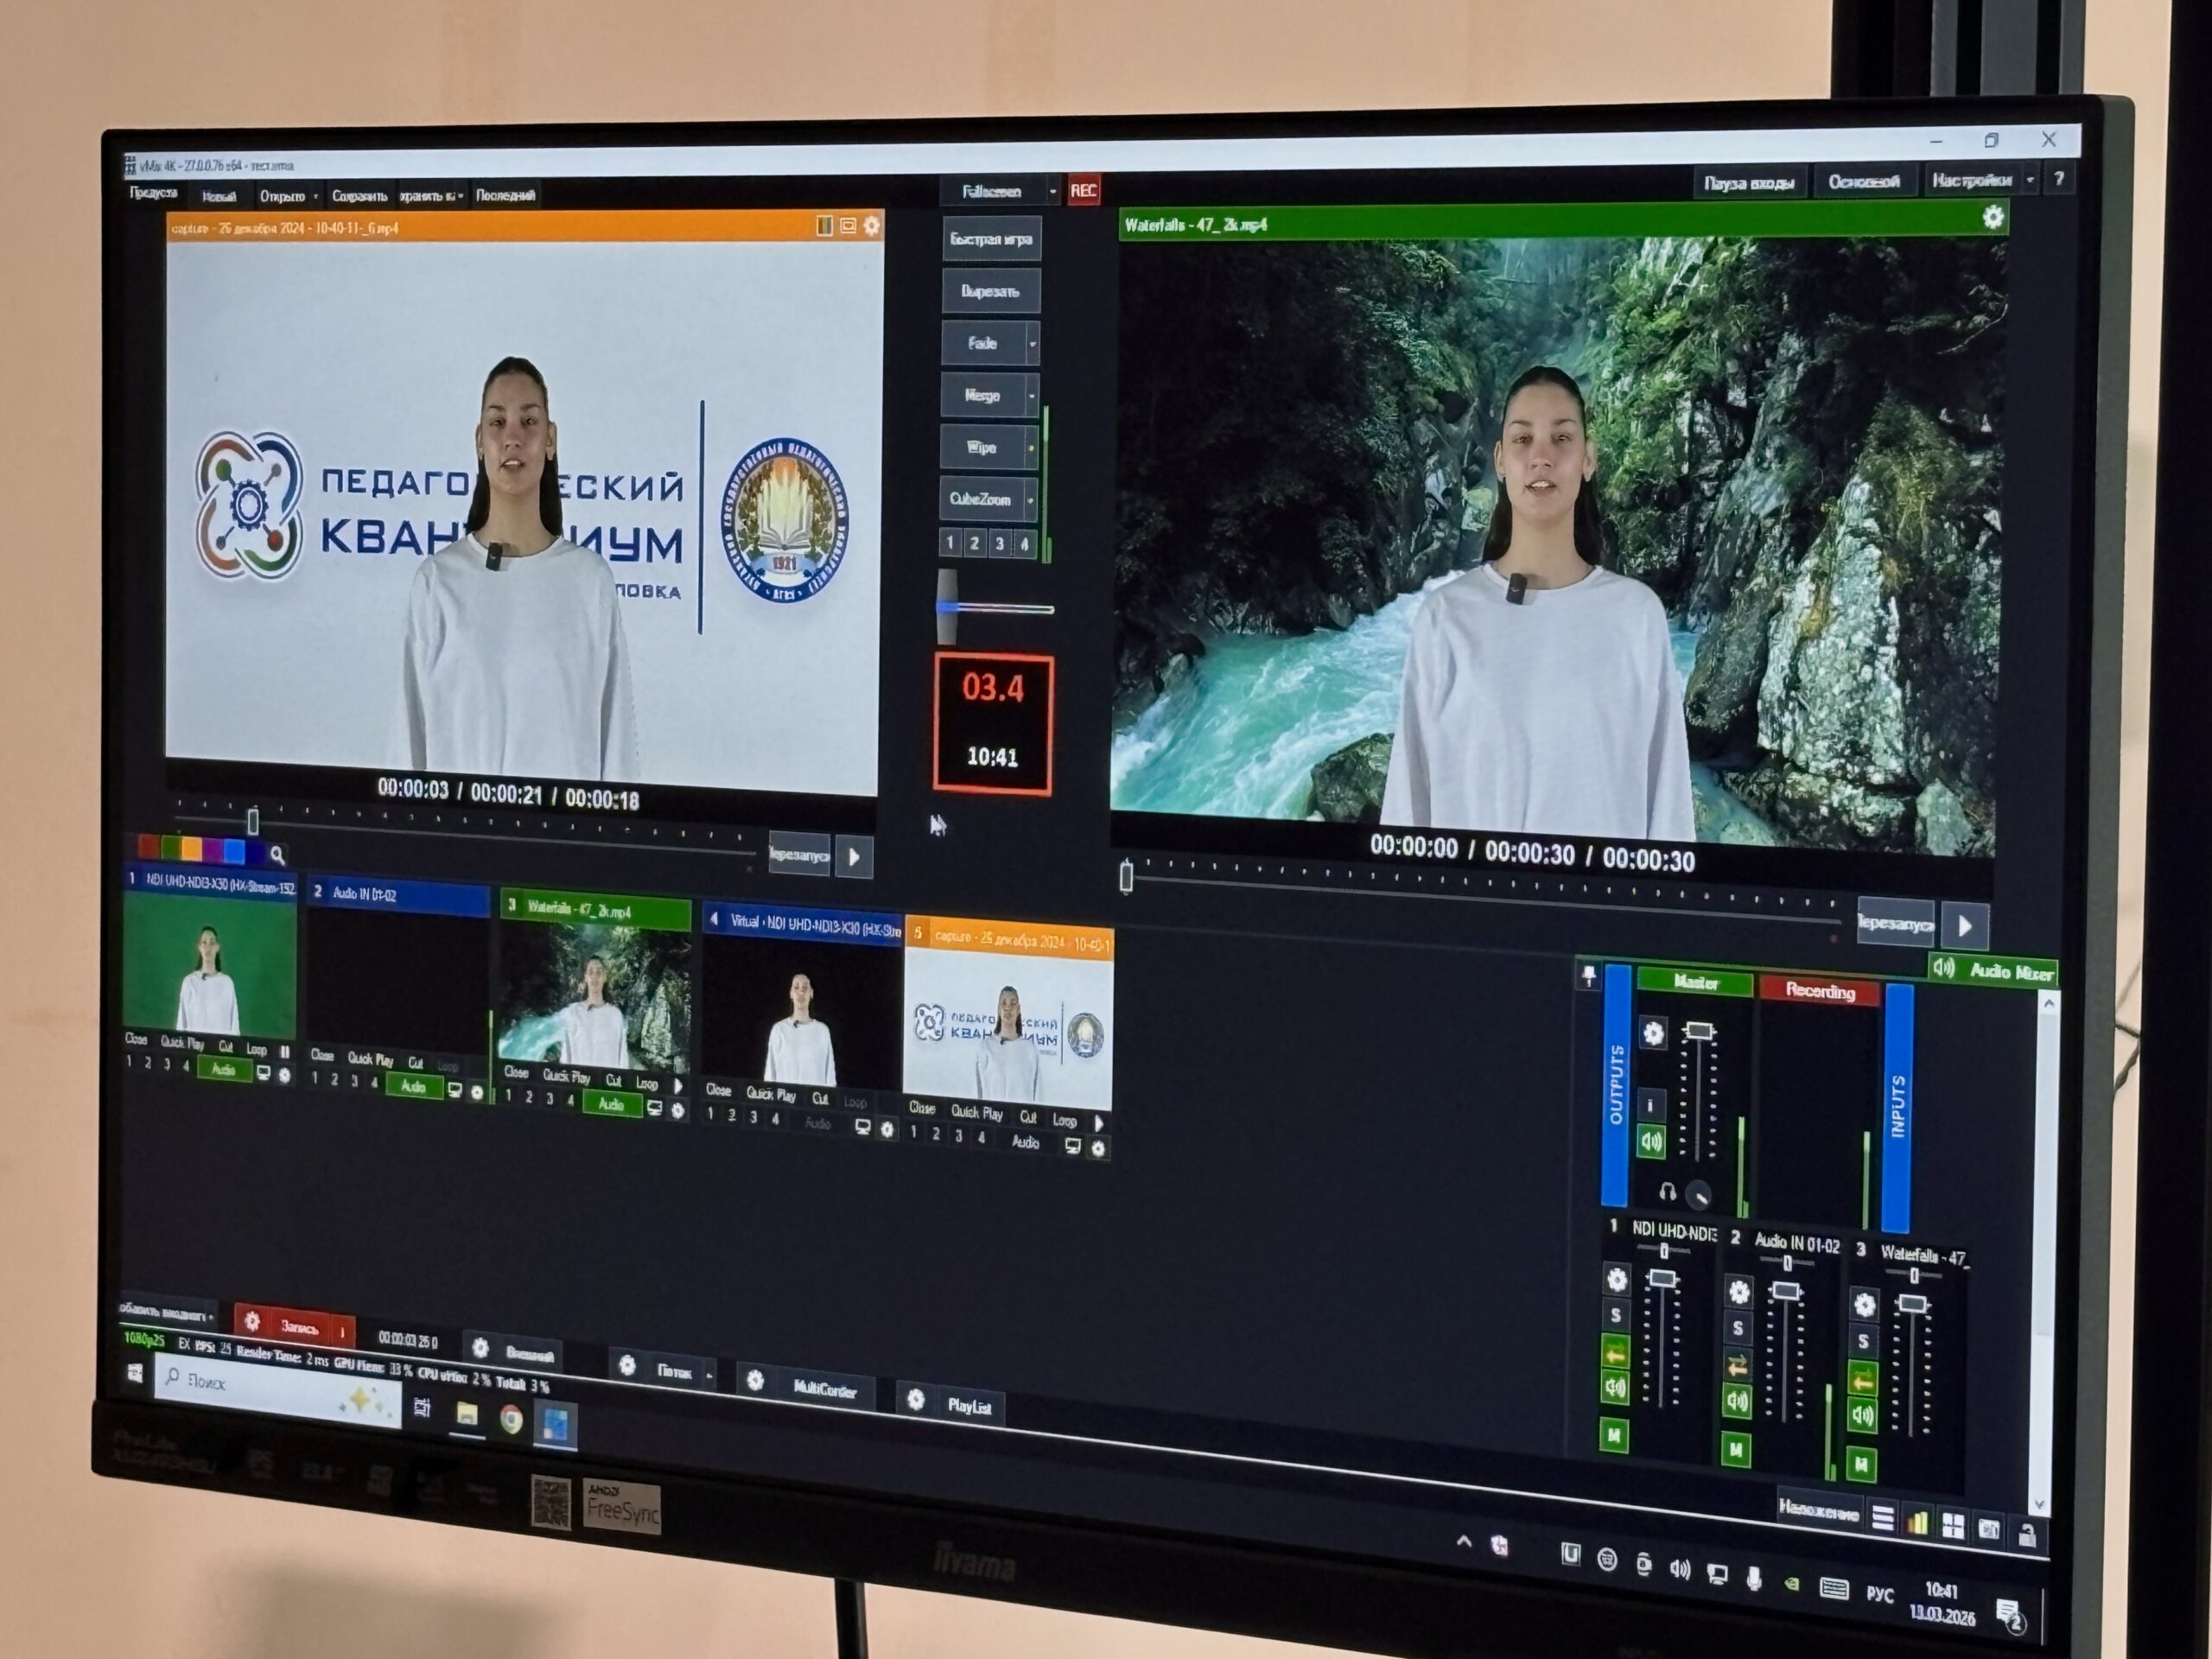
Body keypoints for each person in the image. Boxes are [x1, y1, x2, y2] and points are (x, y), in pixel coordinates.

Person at [1381, 365, 1694, 842]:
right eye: (1523, 439)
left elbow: (1669, 814)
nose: (1541, 457)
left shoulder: (1637, 617)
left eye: (1562, 438)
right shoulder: (1445, 618)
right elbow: (1406, 815)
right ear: (1501, 460)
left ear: (1588, 459)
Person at [399, 357, 639, 782]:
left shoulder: (589, 582)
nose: (512, 438)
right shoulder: (437, 583)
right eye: (497, 422)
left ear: (550, 440)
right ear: (479, 441)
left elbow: (618, 752)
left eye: (529, 422)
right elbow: (406, 751)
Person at [557, 956, 631, 1069]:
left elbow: (623, 1060)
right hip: (579, 1078)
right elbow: (566, 1057)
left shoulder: (615, 1015)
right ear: (586, 977)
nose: (595, 976)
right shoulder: (573, 1013)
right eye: (591, 972)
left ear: (605, 977)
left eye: (599, 972)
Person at [764, 972, 836, 1085]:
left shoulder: (822, 1031)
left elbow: (830, 1076)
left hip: (814, 1096)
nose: (801, 992)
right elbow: (770, 1075)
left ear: (811, 993)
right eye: (796, 988)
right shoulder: (779, 1030)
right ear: (791, 993)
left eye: (805, 988)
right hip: (785, 1095)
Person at [973, 985, 1040, 1102]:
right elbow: (977, 1095)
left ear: (1018, 1010)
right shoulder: (986, 1047)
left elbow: (1038, 1095)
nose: (1008, 1008)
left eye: (1013, 1004)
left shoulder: (1029, 1049)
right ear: (999, 1009)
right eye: (1004, 1003)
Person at [175, 925, 240, 1035]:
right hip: (195, 1045)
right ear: (199, 948)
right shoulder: (189, 982)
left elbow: (234, 1027)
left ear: (217, 947)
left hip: (220, 1045)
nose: (208, 947)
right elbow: (181, 1025)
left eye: (212, 943)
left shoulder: (227, 983)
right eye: (204, 943)